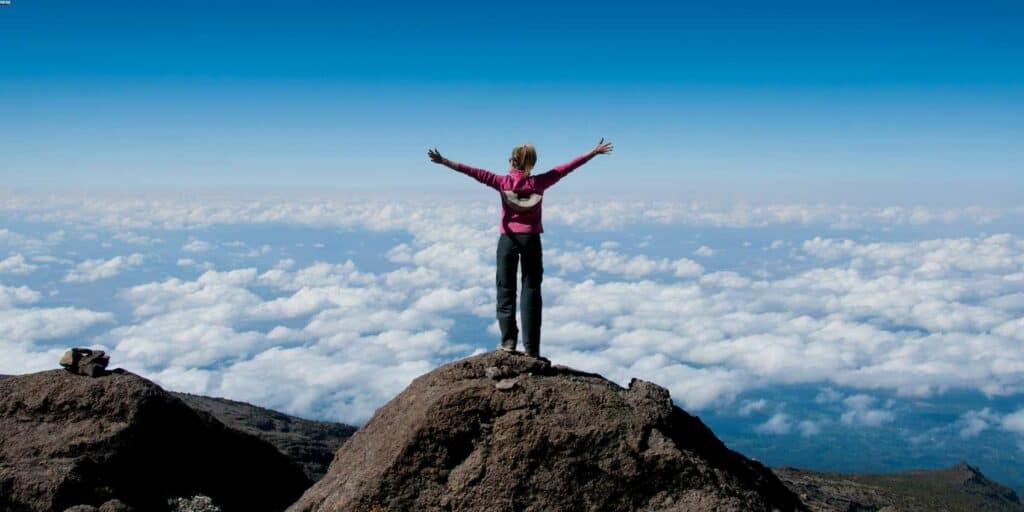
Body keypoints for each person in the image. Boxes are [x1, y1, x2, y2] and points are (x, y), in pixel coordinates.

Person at [427, 138, 614, 357]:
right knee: (531, 291)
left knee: (505, 290)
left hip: (508, 240)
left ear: (513, 162)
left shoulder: (501, 182)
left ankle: (508, 343)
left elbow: (472, 171)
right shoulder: (540, 183)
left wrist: (444, 161)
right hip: (531, 240)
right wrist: (593, 152)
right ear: (530, 164)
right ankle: (532, 350)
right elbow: (567, 168)